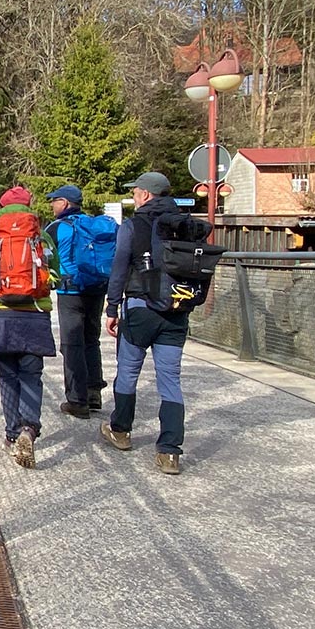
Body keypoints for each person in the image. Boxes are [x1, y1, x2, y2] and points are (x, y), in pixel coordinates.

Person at [102, 171, 189, 475]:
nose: (134, 196)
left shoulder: (133, 225)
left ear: (146, 195)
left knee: (128, 371)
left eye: (136, 192)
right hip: (176, 310)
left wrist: (112, 307)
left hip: (140, 307)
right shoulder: (185, 223)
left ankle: (121, 431)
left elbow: (119, 268)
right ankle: (170, 452)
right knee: (170, 380)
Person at [0, 186, 60, 468]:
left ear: (0, 206)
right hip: (34, 315)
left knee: (7, 376)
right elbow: (56, 274)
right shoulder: (40, 236)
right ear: (29, 206)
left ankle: (11, 434)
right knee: (31, 375)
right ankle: (28, 429)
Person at [45, 184, 110, 418]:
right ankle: (94, 393)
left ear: (64, 203)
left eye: (54, 201)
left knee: (72, 344)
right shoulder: (92, 224)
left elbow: (45, 258)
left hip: (70, 291)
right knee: (92, 340)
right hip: (97, 288)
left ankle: (77, 400)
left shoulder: (56, 227)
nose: (52, 205)